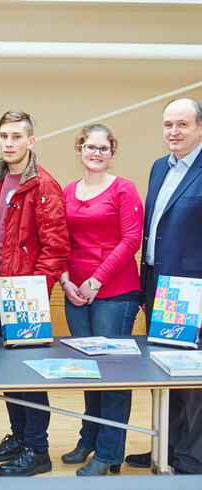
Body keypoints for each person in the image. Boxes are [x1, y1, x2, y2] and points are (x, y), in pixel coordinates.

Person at [0, 110, 70, 477]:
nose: (9, 143)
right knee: (9, 373)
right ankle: (18, 437)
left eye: (17, 136)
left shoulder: (44, 186)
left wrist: (32, 296)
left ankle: (38, 449)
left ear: (31, 141)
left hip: (23, 295)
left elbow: (56, 249)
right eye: (3, 136)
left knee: (29, 374)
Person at [59, 124, 143, 476]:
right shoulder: (67, 191)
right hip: (74, 293)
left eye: (103, 149)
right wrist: (65, 281)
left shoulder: (124, 189)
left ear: (112, 153)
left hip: (115, 294)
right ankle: (89, 440)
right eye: (90, 147)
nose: (96, 153)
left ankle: (109, 453)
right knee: (88, 374)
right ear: (79, 149)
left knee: (113, 377)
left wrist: (95, 280)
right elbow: (59, 238)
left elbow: (131, 241)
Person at [125, 98, 202, 475]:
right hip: (157, 283)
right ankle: (167, 447)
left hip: (192, 291)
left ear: (200, 128)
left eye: (182, 125)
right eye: (168, 124)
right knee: (165, 368)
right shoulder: (160, 167)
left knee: (193, 376)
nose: (174, 132)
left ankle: (193, 456)